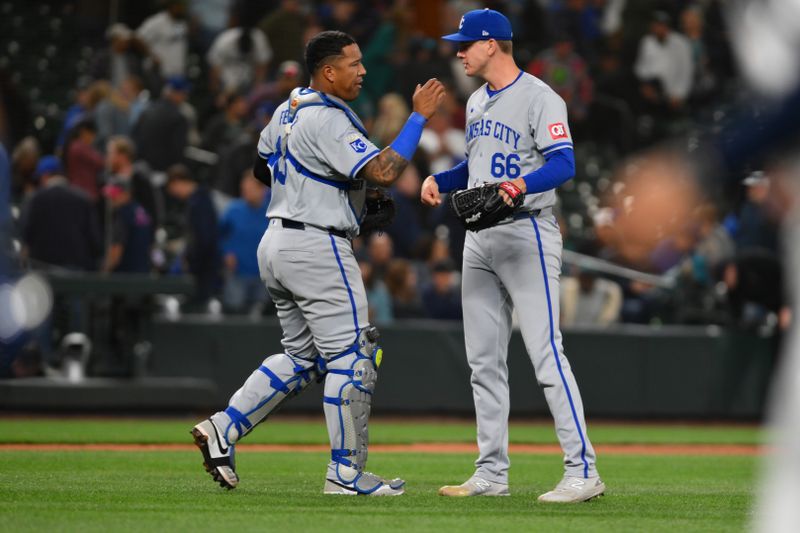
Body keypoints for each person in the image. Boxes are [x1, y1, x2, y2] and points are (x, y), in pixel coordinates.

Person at [190, 30, 444, 495]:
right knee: (354, 358)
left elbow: (262, 167)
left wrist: (335, 198)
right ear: (329, 72)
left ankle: (223, 427)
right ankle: (345, 474)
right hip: (316, 247)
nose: (363, 71)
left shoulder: (289, 109)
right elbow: (385, 170)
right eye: (354, 63)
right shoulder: (326, 119)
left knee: (303, 358)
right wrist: (418, 118)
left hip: (279, 242)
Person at [421, 8, 604, 502]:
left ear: (493, 44)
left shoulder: (541, 97)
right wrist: (441, 179)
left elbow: (563, 164)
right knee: (483, 362)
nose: (459, 51)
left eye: (466, 43)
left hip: (527, 233)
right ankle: (491, 474)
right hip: (479, 238)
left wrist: (520, 184)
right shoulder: (478, 101)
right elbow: (477, 165)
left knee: (545, 354)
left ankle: (583, 470)